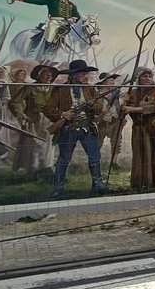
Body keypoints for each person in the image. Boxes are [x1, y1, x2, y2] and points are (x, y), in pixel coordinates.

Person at [43, 59, 107, 200]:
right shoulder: (60, 89)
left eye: (86, 74)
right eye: (83, 74)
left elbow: (98, 108)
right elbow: (48, 108)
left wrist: (91, 105)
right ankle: (58, 189)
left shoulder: (89, 88)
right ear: (74, 75)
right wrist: (62, 114)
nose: (86, 76)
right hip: (68, 128)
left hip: (87, 128)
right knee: (64, 159)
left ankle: (97, 184)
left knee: (95, 156)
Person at [121, 68, 155, 190]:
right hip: (138, 128)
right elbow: (123, 109)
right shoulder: (133, 92)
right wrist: (124, 102)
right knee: (141, 154)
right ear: (139, 78)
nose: (147, 79)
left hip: (154, 127)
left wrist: (132, 109)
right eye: (144, 76)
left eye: (149, 76)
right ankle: (142, 182)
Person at [9, 0, 81, 51]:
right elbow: (35, 0)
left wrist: (73, 19)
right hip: (55, 22)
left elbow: (78, 18)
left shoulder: (72, 5)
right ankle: (44, 52)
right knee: (50, 34)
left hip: (68, 24)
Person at [8, 64, 56, 176]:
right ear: (38, 76)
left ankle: (46, 168)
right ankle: (32, 171)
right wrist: (22, 115)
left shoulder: (54, 89)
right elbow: (14, 102)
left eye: (50, 75)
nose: (48, 77)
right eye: (45, 74)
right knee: (33, 145)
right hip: (34, 120)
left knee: (48, 145)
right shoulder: (29, 88)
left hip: (50, 120)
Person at [94, 72, 126, 168]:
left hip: (115, 121)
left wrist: (123, 101)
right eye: (111, 80)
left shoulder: (116, 93)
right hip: (101, 122)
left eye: (113, 80)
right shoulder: (96, 94)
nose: (113, 82)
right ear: (103, 82)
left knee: (116, 142)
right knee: (97, 142)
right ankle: (95, 162)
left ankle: (114, 162)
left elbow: (121, 106)